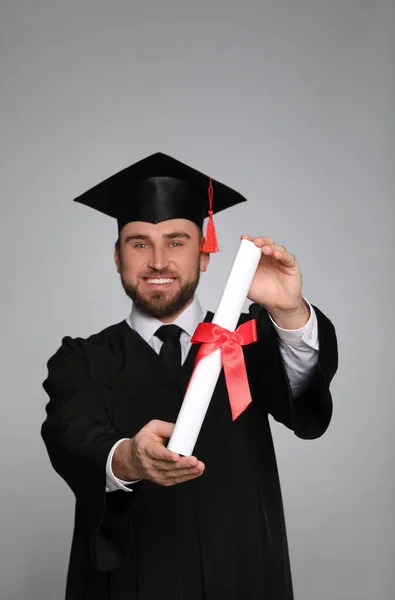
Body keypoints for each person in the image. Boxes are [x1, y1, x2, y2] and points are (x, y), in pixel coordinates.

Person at [41, 152, 338, 600]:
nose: (158, 261)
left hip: (242, 571)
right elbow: (72, 437)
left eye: (177, 242)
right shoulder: (81, 359)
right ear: (117, 257)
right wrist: (129, 459)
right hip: (125, 580)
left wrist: (289, 312)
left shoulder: (248, 342)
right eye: (140, 243)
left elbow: (306, 407)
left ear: (204, 254)